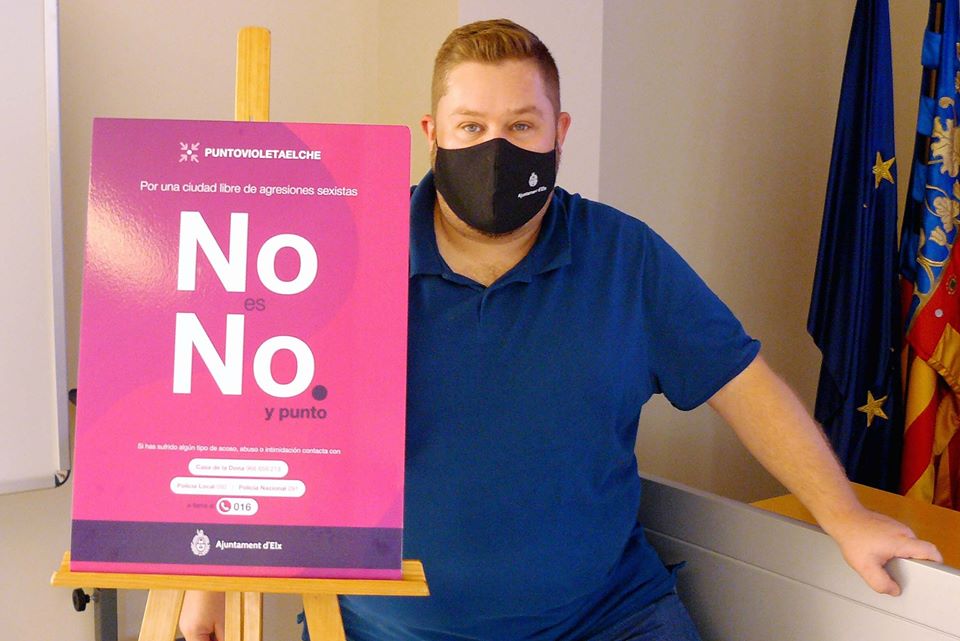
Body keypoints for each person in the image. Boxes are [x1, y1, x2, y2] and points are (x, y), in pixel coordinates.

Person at [179, 18, 942, 641]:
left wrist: (845, 518)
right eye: (472, 125)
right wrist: (205, 582)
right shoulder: (343, 252)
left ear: (559, 131)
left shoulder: (626, 257)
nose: (497, 148)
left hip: (607, 617)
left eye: (521, 124)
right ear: (432, 132)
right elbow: (251, 415)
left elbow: (746, 387)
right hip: (389, 625)